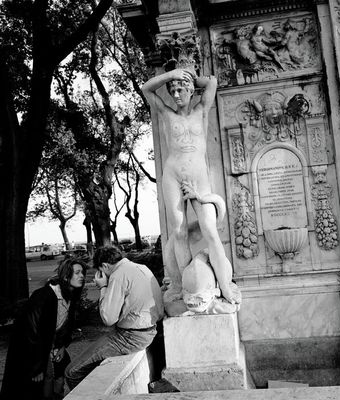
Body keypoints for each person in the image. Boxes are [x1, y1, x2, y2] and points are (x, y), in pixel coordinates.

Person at [142, 68, 241, 305]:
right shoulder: (166, 114)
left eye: (180, 89)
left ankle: (225, 284)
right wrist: (172, 74)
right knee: (179, 231)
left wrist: (190, 77)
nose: (175, 94)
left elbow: (212, 83)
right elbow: (146, 88)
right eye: (172, 91)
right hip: (173, 174)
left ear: (189, 90)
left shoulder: (201, 110)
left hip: (198, 175)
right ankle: (186, 283)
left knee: (210, 229)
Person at [65, 245, 164, 390]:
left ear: (104, 266)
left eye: (100, 270)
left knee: (72, 372)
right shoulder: (141, 267)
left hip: (130, 338)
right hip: (148, 331)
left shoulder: (118, 275)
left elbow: (108, 319)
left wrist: (103, 287)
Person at [0, 257, 87, 400]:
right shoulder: (43, 296)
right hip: (33, 356)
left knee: (59, 381)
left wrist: (62, 346)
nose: (82, 276)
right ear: (65, 276)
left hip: (52, 351)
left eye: (82, 272)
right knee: (38, 390)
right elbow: (30, 333)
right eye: (77, 273)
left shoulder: (70, 297)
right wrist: (36, 367)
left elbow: (65, 328)